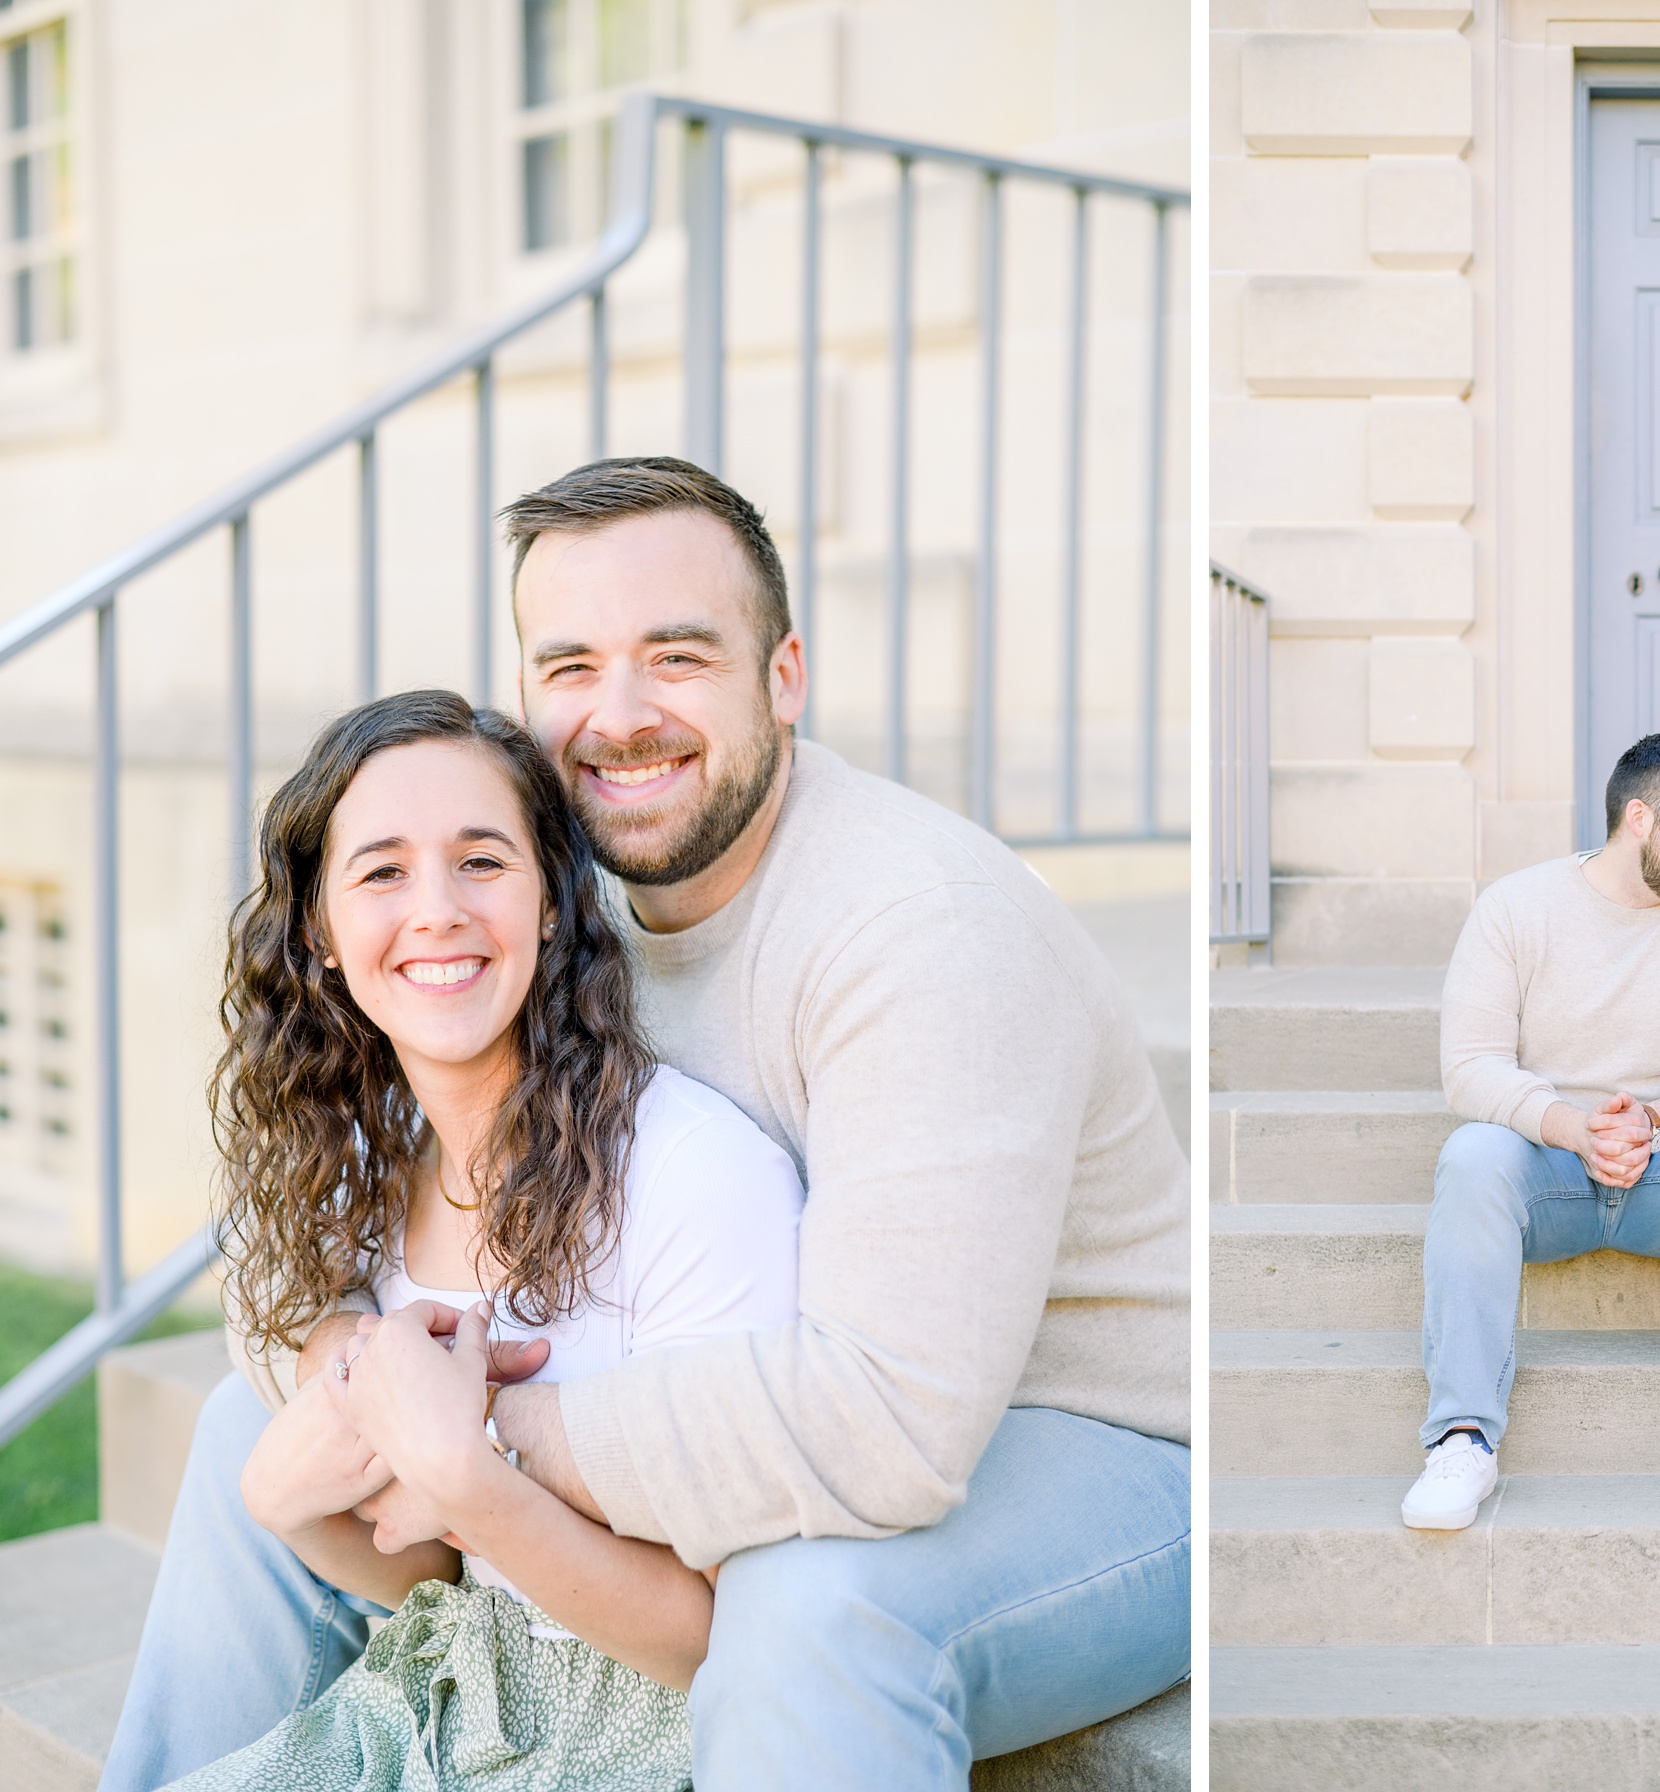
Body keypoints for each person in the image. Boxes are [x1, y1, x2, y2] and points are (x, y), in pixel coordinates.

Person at [102, 458, 1191, 1792]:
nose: (619, 718)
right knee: (241, 1440)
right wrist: (364, 1372)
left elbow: (888, 1426)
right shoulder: (544, 895)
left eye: (677, 657)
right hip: (752, 1368)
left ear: (782, 677)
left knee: (810, 1617)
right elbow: (296, 1252)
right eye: (570, 667)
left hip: (1090, 1438)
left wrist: (478, 1441)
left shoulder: (921, 935)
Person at [168, 690, 803, 1789]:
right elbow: (432, 1576)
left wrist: (467, 1475)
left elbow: (723, 1641)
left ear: (553, 901)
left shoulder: (692, 1172)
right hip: (452, 1691)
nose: (438, 911)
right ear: (320, 933)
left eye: (482, 861)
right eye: (381, 872)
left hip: (647, 1740)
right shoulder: (368, 1165)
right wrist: (285, 1500)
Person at [1405, 730, 1660, 1532]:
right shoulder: (1516, 908)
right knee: (1471, 1156)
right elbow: (1471, 1067)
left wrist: (1659, 1121)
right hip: (1550, 1170)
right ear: (1640, 818)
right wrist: (1571, 1126)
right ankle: (1462, 1439)